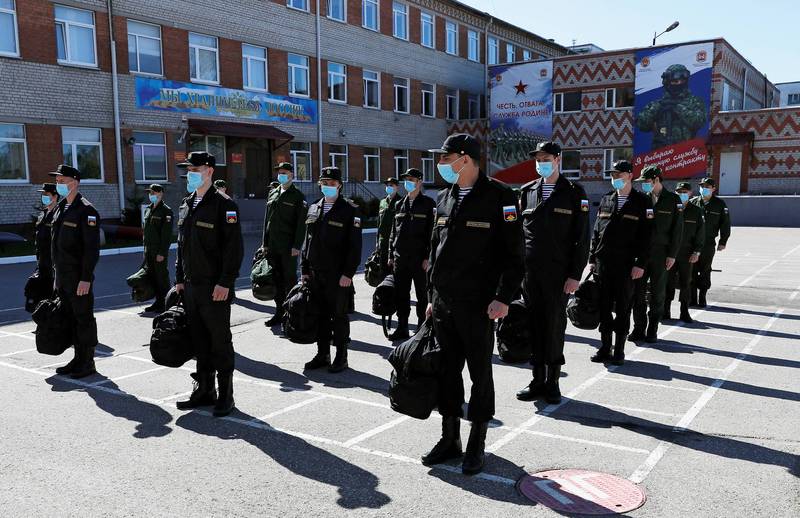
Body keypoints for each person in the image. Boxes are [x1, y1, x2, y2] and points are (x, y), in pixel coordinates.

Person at [421, 134, 524, 475]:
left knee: (480, 376)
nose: (442, 163)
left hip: (479, 304)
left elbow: (515, 255)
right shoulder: (444, 197)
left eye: (446, 157)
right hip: (444, 302)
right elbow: (434, 251)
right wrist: (429, 298)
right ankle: (449, 438)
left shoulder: (500, 196)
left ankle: (476, 443)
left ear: (465, 159)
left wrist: (503, 297)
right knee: (446, 372)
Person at [515, 142, 590, 404]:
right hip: (530, 273)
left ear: (557, 159)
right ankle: (536, 379)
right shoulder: (527, 191)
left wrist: (575, 274)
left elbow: (582, 238)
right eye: (538, 159)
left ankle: (553, 381)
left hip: (559, 275)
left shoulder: (573, 193)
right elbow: (518, 236)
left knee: (555, 327)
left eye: (545, 158)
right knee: (534, 326)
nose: (541, 162)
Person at [174, 152, 243, 417]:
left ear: (210, 171)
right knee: (200, 342)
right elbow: (182, 247)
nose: (190, 172)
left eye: (195, 168)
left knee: (219, 342)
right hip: (191, 287)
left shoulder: (224, 205)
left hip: (215, 288)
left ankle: (226, 395)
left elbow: (233, 250)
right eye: (188, 168)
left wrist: (225, 282)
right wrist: (179, 279)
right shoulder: (186, 204)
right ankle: (204, 390)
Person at [588, 160, 652, 366]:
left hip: (627, 266)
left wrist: (640, 263)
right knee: (604, 308)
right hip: (604, 264)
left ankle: (620, 350)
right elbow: (596, 232)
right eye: (613, 175)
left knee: (623, 309)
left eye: (619, 175)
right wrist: (591, 259)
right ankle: (605, 347)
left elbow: (647, 236)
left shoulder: (642, 202)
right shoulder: (607, 199)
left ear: (630, 176)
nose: (615, 179)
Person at [301, 167, 362, 373]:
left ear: (339, 185)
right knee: (320, 315)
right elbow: (307, 241)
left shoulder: (349, 210)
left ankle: (341, 356)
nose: (327, 187)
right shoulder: (313, 208)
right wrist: (304, 268)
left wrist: (348, 273)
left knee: (339, 316)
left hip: (337, 275)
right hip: (316, 272)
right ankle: (322, 354)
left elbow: (355, 246)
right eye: (324, 183)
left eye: (332, 183)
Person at [49, 165, 101, 378]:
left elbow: (91, 249)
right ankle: (77, 358)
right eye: (57, 181)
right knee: (70, 318)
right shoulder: (62, 207)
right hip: (62, 276)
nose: (58, 185)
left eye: (62, 181)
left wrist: (86, 278)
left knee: (83, 318)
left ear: (75, 182)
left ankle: (87, 361)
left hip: (78, 277)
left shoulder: (86, 211)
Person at [629, 165, 683, 343]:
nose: (644, 184)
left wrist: (672, 254)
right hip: (641, 252)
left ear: (657, 180)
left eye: (647, 181)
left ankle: (652, 329)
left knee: (658, 293)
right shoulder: (640, 199)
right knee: (638, 292)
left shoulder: (673, 200)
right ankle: (638, 329)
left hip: (661, 253)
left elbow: (677, 230)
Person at [386, 168, 435, 340]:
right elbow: (394, 231)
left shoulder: (428, 204)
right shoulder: (399, 204)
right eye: (406, 179)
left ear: (420, 182)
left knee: (422, 294)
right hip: (400, 257)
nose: (408, 182)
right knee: (401, 293)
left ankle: (422, 326)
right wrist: (391, 255)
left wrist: (428, 257)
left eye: (412, 179)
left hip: (419, 258)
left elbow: (432, 233)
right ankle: (402, 326)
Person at [261, 162, 307, 329]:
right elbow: (267, 220)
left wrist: (297, 245)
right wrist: (264, 243)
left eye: (284, 172)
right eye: (279, 172)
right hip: (272, 246)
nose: (281, 175)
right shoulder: (273, 193)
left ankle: (292, 313)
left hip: (288, 247)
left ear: (291, 175)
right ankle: (279, 313)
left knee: (289, 281)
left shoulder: (298, 196)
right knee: (276, 281)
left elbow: (301, 224)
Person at [636, 64, 707, 150]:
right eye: (675, 81)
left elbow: (699, 122)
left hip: (685, 154)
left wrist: (678, 108)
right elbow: (642, 125)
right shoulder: (657, 104)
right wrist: (657, 108)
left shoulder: (694, 101)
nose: (679, 83)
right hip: (661, 155)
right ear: (667, 82)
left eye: (682, 80)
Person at [664, 182, 704, 322]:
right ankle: (666, 309)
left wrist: (697, 252)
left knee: (686, 283)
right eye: (679, 191)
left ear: (690, 193)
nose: (682, 194)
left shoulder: (696, 211)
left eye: (684, 191)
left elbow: (700, 233)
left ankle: (684, 311)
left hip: (687, 254)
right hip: (670, 253)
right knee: (667, 282)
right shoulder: (670, 207)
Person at [691, 177, 731, 307]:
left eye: (708, 187)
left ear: (713, 189)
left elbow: (725, 224)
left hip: (708, 243)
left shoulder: (720, 204)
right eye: (702, 186)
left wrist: (723, 241)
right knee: (691, 269)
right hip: (691, 243)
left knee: (705, 269)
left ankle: (702, 296)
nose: (704, 189)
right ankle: (692, 297)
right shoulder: (693, 202)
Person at [142, 184, 174, 313]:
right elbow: (146, 231)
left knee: (161, 278)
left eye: (154, 193)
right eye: (150, 193)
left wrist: (162, 252)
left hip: (158, 251)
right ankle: (158, 302)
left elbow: (166, 235)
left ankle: (166, 303)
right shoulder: (148, 209)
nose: (151, 195)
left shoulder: (166, 211)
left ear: (160, 193)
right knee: (153, 277)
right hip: (148, 250)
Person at [33, 183, 59, 295]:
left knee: (54, 295)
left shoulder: (59, 214)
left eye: (46, 194)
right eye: (42, 194)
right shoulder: (43, 214)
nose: (43, 196)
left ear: (55, 196)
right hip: (42, 261)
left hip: (54, 262)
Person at [376, 177, 401, 270]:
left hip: (394, 243)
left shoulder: (401, 202)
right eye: (387, 185)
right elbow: (378, 223)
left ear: (397, 187)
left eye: (391, 185)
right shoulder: (382, 202)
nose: (388, 187)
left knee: (394, 272)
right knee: (382, 271)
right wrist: (377, 242)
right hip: (382, 242)